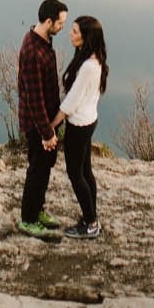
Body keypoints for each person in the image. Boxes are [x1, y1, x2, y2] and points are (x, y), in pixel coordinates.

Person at [16, 0, 69, 239]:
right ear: (48, 21)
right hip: (38, 124)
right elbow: (34, 98)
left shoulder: (43, 41)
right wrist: (47, 134)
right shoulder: (32, 52)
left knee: (44, 168)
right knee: (36, 170)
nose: (62, 27)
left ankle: (37, 210)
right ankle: (28, 219)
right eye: (60, 23)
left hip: (46, 121)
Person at [52, 15, 108, 239]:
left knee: (76, 174)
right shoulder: (92, 60)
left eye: (74, 31)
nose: (69, 34)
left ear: (86, 37)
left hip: (79, 124)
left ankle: (91, 223)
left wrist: (51, 125)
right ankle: (90, 217)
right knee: (85, 172)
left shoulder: (88, 66)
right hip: (89, 120)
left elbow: (71, 101)